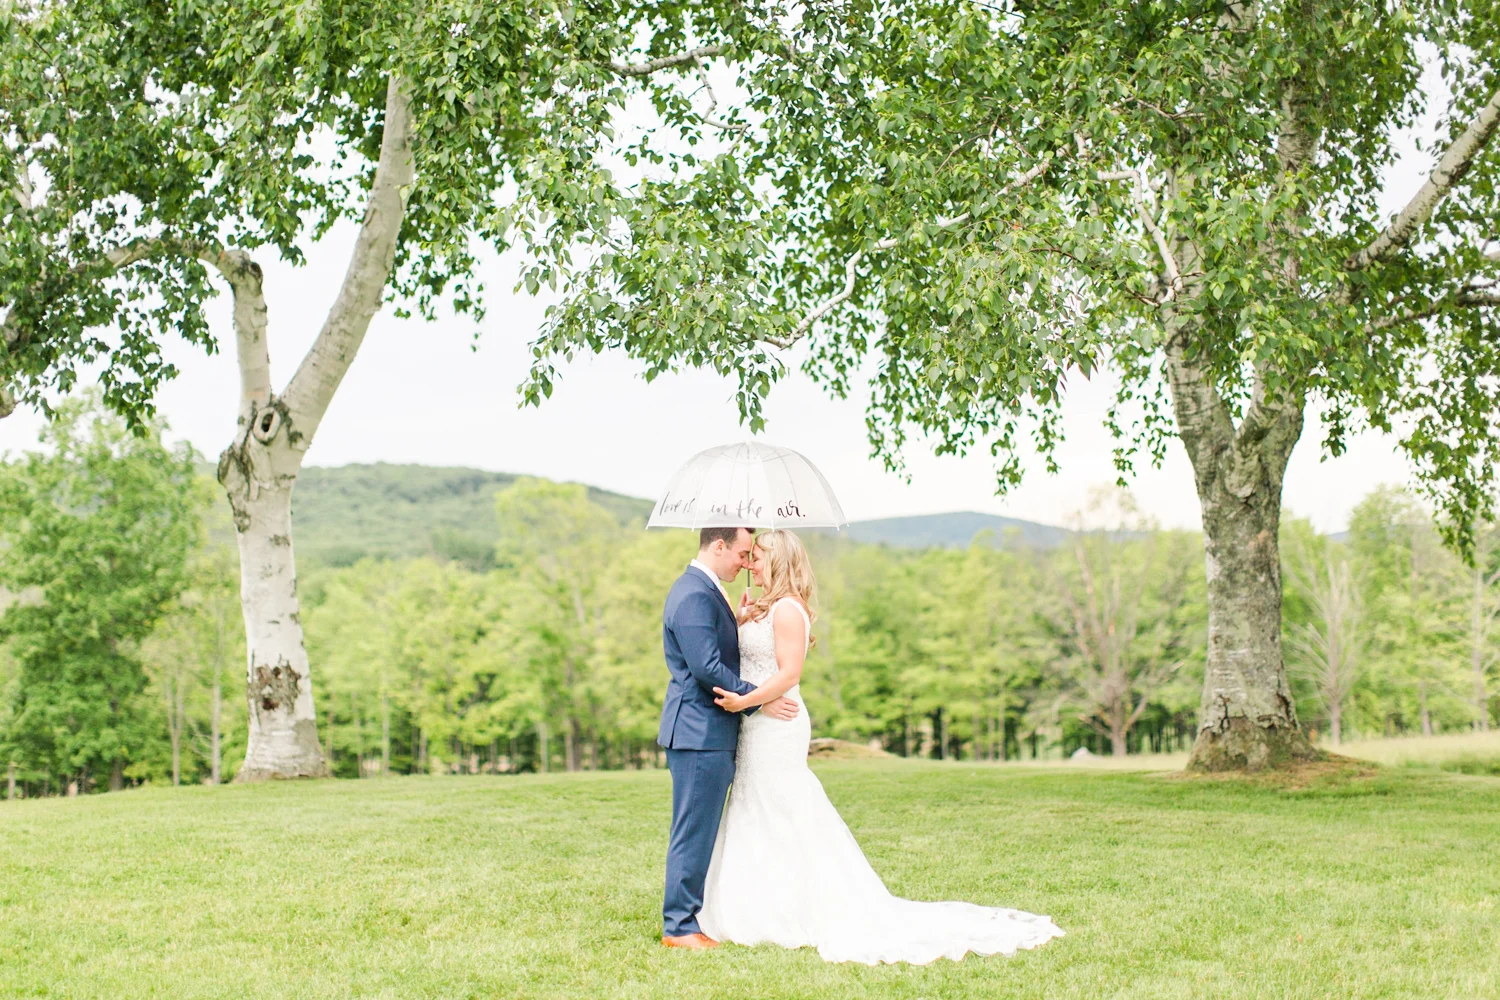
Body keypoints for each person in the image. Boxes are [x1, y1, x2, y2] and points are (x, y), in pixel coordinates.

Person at [697, 528, 1065, 964]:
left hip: (779, 724)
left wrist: (746, 701)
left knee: (783, 803)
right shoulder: (758, 608)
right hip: (758, 722)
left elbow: (789, 673)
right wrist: (741, 621)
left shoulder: (789, 610)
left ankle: (800, 906)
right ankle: (754, 903)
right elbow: (753, 659)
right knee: (753, 803)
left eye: (757, 557)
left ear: (778, 562)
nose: (750, 564)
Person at [658, 525, 801, 949]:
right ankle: (679, 927)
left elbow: (714, 651)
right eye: (741, 553)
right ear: (718, 545)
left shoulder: (706, 591)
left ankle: (691, 916)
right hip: (700, 732)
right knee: (694, 828)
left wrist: (735, 622)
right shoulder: (693, 593)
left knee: (699, 827)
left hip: (708, 730)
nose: (745, 562)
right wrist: (758, 700)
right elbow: (705, 669)